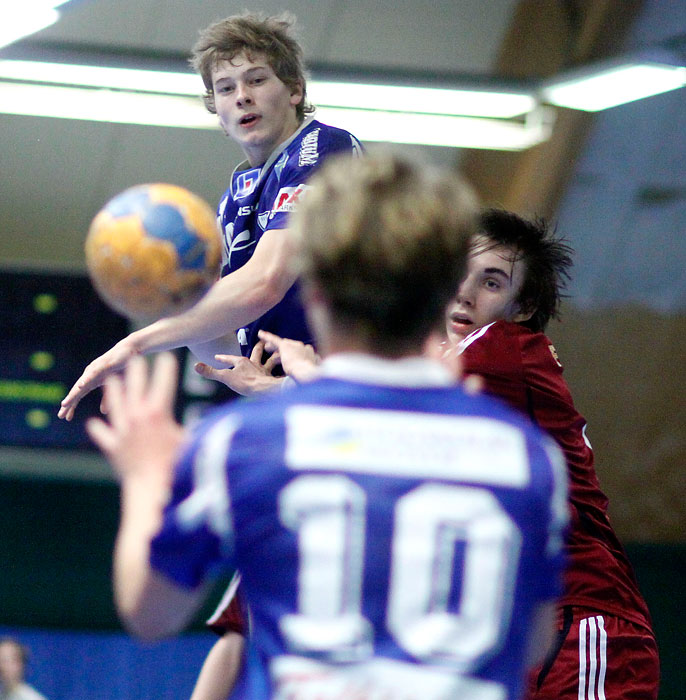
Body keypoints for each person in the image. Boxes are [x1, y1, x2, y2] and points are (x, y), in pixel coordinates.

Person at [86, 152, 569, 700]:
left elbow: (150, 614)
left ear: (312, 290)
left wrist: (149, 476)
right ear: (443, 294)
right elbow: (534, 642)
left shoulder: (246, 443)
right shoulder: (526, 456)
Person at [58, 11, 362, 421]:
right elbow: (217, 333)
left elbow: (266, 283)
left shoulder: (322, 149)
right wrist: (174, 298)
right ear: (217, 111)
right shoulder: (231, 202)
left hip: (354, 388)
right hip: (294, 398)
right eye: (225, 88)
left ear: (294, 90)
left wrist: (133, 345)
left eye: (256, 80)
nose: (242, 96)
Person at [447, 209, 660, 700]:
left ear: (521, 308)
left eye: (492, 282)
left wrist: (290, 379)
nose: (465, 291)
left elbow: (387, 390)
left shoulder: (504, 347)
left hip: (582, 617)